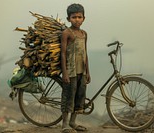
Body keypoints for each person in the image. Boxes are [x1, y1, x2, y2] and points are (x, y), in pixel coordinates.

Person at [61, 3, 91, 133]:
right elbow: (62, 54)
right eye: (74, 17)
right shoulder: (67, 33)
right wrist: (65, 73)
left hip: (82, 71)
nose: (77, 20)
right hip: (71, 71)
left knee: (80, 96)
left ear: (84, 18)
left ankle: (73, 122)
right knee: (69, 96)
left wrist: (88, 72)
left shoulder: (84, 34)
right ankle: (64, 124)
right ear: (68, 19)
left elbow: (85, 53)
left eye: (79, 17)